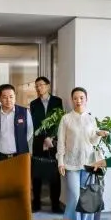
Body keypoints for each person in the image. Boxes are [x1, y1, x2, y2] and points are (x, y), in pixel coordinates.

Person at [57, 87, 109, 220]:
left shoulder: (91, 119)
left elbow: (92, 141)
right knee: (74, 197)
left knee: (86, 198)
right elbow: (61, 142)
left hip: (88, 164)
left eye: (81, 98)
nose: (78, 101)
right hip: (71, 164)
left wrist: (98, 134)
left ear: (86, 99)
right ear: (71, 100)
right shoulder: (66, 119)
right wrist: (60, 162)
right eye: (75, 98)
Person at [29, 77, 64, 213]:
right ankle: (36, 203)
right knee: (37, 173)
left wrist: (51, 137)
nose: (39, 88)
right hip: (39, 142)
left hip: (53, 142)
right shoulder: (33, 104)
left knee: (54, 174)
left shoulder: (57, 101)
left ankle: (55, 204)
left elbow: (59, 121)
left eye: (41, 85)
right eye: (36, 86)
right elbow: (35, 124)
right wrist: (44, 138)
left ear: (48, 86)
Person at [0, 84, 31, 162]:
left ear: (15, 97)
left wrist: (21, 142)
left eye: (11, 97)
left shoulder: (24, 112)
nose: (8, 100)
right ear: (0, 98)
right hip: (0, 156)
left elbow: (29, 131)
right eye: (5, 97)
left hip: (20, 155)